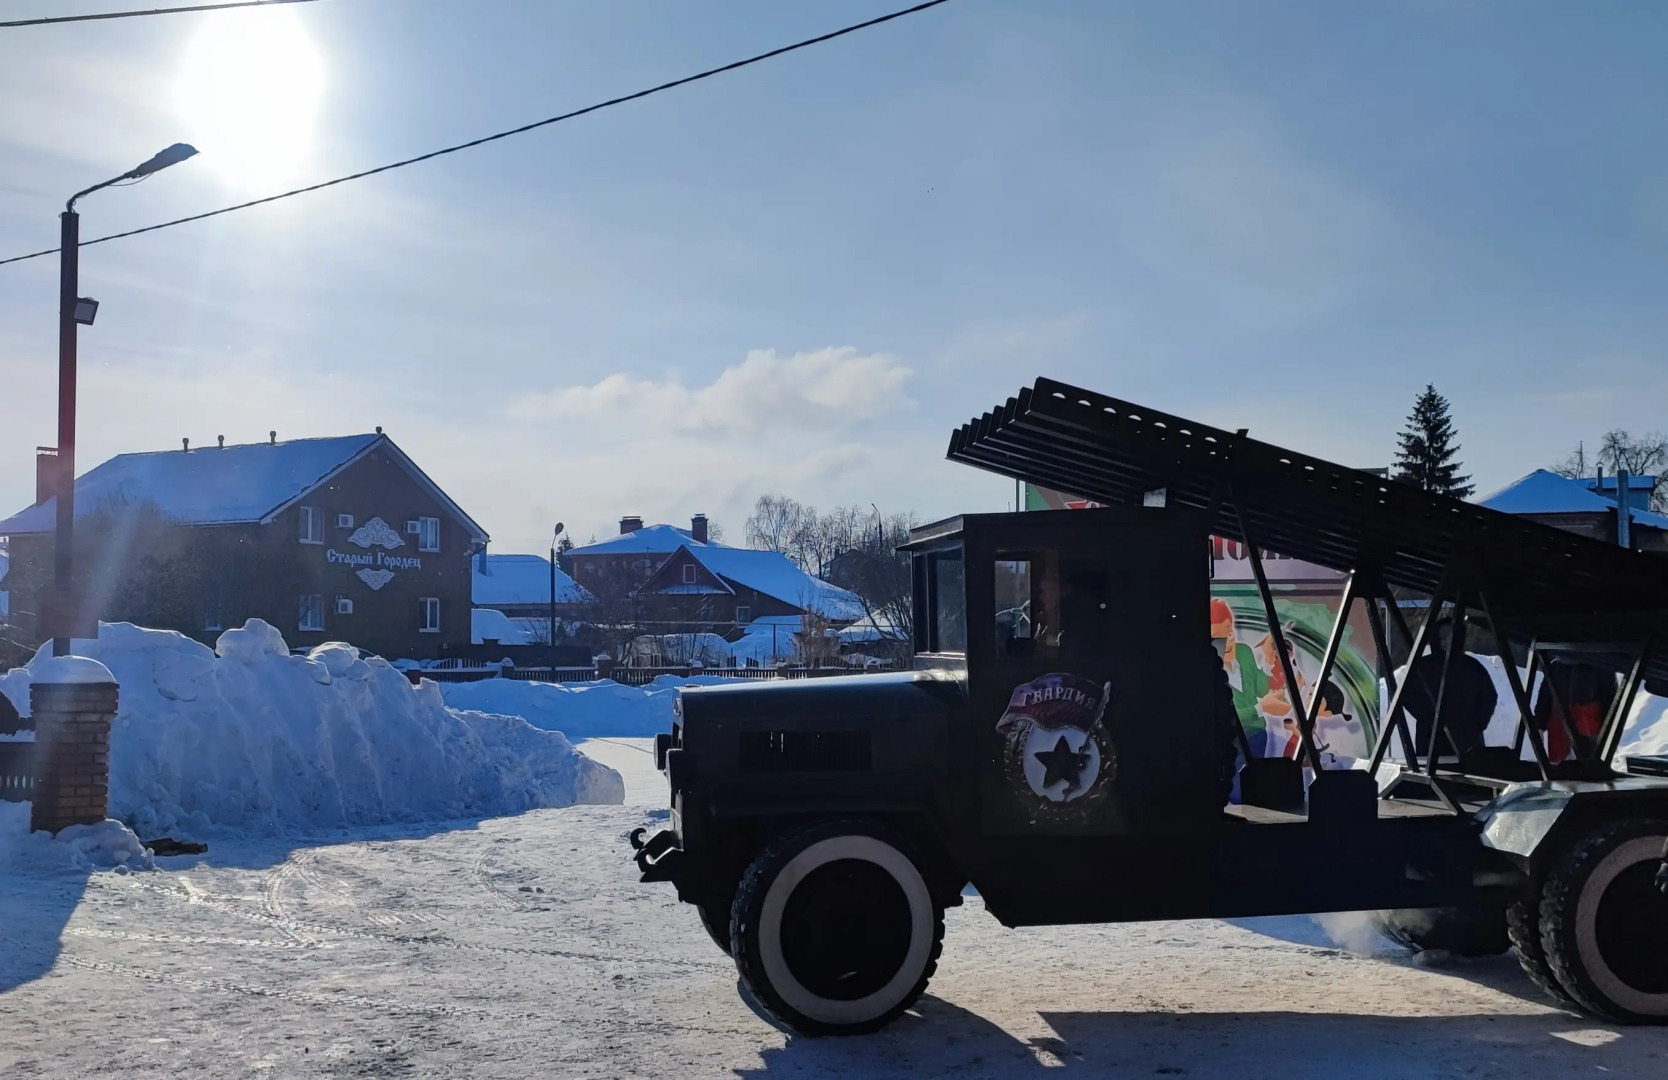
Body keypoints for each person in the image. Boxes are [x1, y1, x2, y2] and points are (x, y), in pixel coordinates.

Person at [1401, 618, 1496, 758]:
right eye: (1442, 637)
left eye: (1450, 637)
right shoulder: (1422, 667)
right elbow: (1407, 695)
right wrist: (1428, 717)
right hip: (1431, 740)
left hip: (1467, 740)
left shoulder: (1472, 667)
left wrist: (1476, 725)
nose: (1445, 642)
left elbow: (1488, 697)